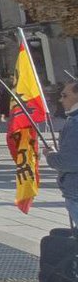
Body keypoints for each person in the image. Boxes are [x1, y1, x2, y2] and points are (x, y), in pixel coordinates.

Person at [47, 80, 78, 227]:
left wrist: (51, 155)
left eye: (65, 95)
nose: (61, 100)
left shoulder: (75, 123)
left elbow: (69, 162)